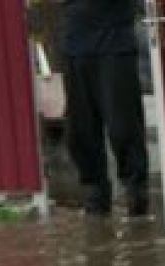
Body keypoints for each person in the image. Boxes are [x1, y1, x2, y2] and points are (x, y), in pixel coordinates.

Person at [61, 0, 149, 216]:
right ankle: (95, 193)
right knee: (80, 130)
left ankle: (135, 191)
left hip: (114, 45)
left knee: (123, 126)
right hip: (75, 46)